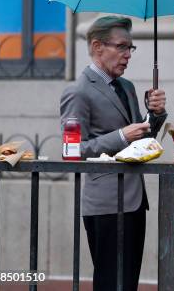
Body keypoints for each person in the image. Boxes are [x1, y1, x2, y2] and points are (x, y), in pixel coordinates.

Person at [60, 16, 167, 291]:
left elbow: (142, 141)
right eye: (121, 47)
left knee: (127, 281)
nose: (128, 54)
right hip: (105, 203)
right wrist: (121, 136)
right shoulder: (78, 91)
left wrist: (154, 115)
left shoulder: (127, 87)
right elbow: (73, 150)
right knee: (110, 282)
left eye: (130, 48)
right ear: (97, 46)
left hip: (134, 199)